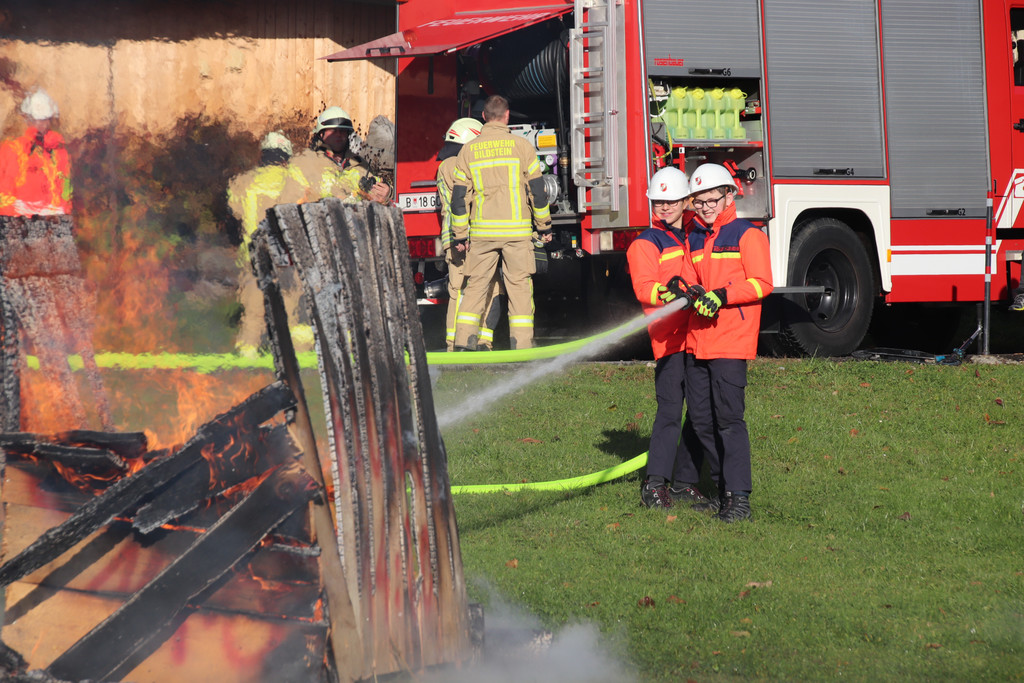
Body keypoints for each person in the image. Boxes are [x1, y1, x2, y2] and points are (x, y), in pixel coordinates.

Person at [0, 88, 111, 430]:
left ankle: (83, 417)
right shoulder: (10, 152)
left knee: (60, 332)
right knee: (18, 340)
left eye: (45, 119)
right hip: (19, 246)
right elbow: (4, 197)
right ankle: (22, 420)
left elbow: (65, 197)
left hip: (53, 246)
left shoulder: (59, 154)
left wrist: (59, 225)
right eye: (36, 119)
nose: (41, 124)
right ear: (26, 119)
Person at [682, 163, 773, 522]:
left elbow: (762, 283)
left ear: (729, 195)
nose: (704, 208)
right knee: (702, 421)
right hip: (698, 341)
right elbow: (690, 275)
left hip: (730, 342)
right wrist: (685, 289)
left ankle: (739, 501)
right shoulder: (694, 236)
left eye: (711, 201)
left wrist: (722, 295)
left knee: (729, 422)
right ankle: (722, 493)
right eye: (699, 203)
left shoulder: (748, 235)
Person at [626, 166, 708, 509]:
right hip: (671, 338)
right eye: (659, 202)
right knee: (671, 410)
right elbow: (644, 287)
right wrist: (667, 292)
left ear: (686, 200)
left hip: (702, 336)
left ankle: (686, 481)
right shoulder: (646, 243)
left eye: (671, 201)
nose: (664, 207)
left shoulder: (696, 234)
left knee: (702, 412)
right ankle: (655, 484)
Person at [450, 95, 552, 351]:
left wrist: (461, 235)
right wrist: (544, 226)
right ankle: (522, 346)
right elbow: (537, 192)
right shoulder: (523, 147)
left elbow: (459, 199)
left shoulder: (468, 150)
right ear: (507, 116)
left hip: (483, 234)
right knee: (518, 288)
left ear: (483, 117)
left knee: (475, 287)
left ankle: (463, 342)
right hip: (517, 234)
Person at [226, 130, 312, 356]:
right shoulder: (295, 180)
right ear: (286, 156)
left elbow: (235, 211)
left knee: (254, 307)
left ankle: (248, 350)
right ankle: (296, 353)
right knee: (290, 306)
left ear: (263, 155)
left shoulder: (244, 181)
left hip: (252, 253)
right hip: (285, 254)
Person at [436, 117, 505, 351]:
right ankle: (458, 343)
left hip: (469, 237)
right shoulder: (453, 164)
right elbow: (468, 197)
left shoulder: (449, 163)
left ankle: (478, 341)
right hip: (463, 238)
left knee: (483, 288)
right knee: (466, 289)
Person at [290, 105, 391, 205]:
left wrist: (387, 194)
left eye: (342, 131)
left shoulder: (360, 166)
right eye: (333, 130)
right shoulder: (306, 165)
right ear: (321, 134)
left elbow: (380, 195)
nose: (338, 134)